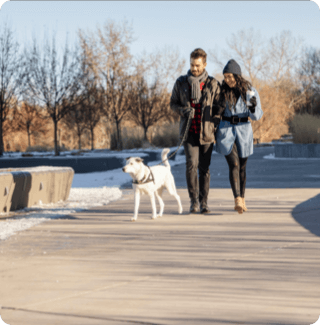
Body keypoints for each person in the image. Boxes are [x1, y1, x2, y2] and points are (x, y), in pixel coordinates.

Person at [170, 48, 221, 214]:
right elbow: (173, 104)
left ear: (205, 64)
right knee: (191, 165)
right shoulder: (181, 82)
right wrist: (184, 110)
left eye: (198, 65)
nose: (195, 68)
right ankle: (194, 202)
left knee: (204, 169)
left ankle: (204, 202)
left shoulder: (213, 84)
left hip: (206, 133)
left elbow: (220, 107)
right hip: (189, 132)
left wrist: (215, 122)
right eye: (192, 65)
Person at [215, 59, 263, 214]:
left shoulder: (250, 91)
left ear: (237, 75)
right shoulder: (221, 92)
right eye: (225, 76)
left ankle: (242, 199)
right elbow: (215, 111)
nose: (227, 80)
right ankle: (237, 198)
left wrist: (252, 103)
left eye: (230, 76)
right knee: (234, 164)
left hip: (244, 131)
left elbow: (255, 116)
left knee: (242, 167)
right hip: (226, 131)